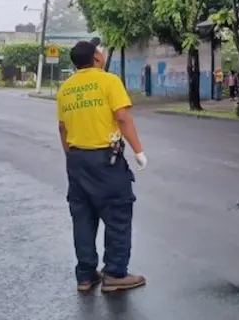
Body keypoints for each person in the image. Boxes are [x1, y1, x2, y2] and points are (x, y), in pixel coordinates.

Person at [56, 39, 148, 293]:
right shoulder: (109, 81)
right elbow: (122, 117)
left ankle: (85, 275)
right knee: (118, 214)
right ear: (97, 57)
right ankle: (115, 274)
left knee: (83, 216)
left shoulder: (65, 89)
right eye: (100, 51)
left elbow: (62, 128)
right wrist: (138, 151)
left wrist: (71, 157)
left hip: (76, 159)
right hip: (105, 160)